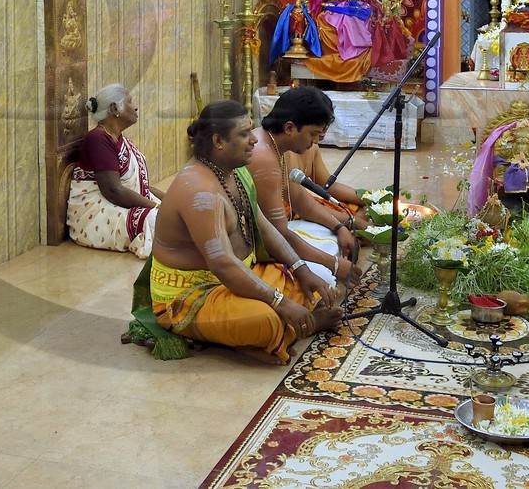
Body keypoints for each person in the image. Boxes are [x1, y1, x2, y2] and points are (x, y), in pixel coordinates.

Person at [139, 101, 342, 363]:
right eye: (244, 134)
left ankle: (274, 331)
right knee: (265, 320)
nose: (253, 141)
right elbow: (222, 263)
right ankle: (281, 331)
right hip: (194, 296)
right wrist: (279, 302)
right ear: (218, 141)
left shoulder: (235, 173)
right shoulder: (199, 191)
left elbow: (265, 228)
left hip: (235, 276)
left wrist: (301, 268)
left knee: (304, 282)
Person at [246, 87, 354, 288]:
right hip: (250, 245)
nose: (315, 141)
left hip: (272, 234)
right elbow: (278, 234)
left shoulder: (279, 145)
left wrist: (339, 226)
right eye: (313, 134)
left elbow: (300, 200)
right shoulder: (264, 157)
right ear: (289, 128)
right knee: (318, 280)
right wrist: (333, 264)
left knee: (329, 240)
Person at [65, 84, 162, 256]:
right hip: (95, 214)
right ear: (114, 109)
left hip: (116, 203)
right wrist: (156, 207)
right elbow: (113, 190)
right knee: (159, 219)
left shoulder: (116, 138)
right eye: (130, 102)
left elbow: (141, 188)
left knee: (178, 213)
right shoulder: (97, 139)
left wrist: (170, 201)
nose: (135, 107)